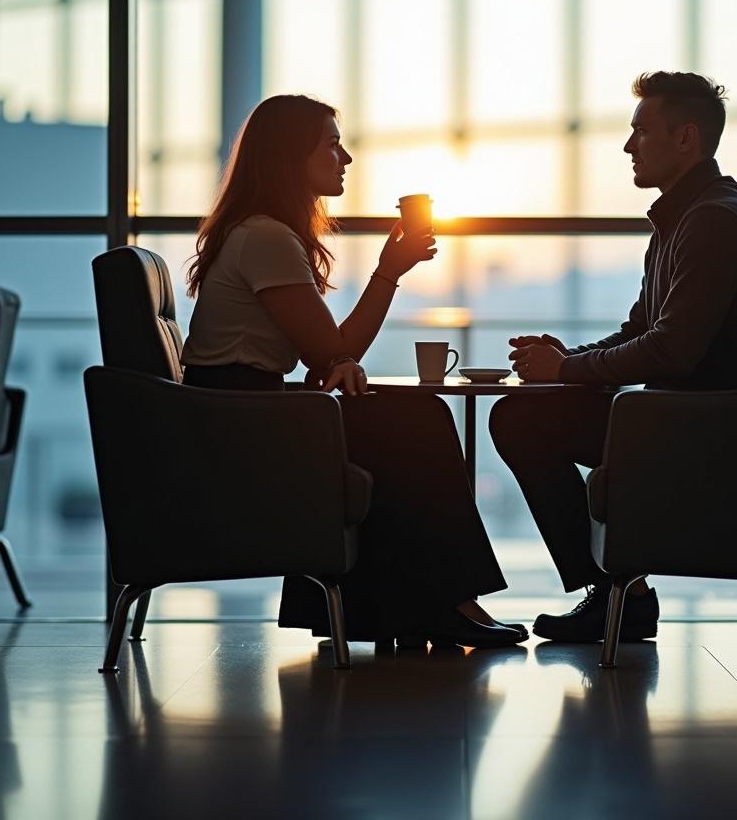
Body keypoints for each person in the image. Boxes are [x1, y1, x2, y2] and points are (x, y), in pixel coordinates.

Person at [181, 93, 524, 648]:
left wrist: (335, 361)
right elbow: (334, 350)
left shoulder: (260, 232)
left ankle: (421, 607)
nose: (346, 159)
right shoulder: (266, 236)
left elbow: (329, 355)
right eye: (332, 145)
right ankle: (449, 602)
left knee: (404, 420)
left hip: (241, 413)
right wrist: (389, 271)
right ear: (292, 156)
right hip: (242, 426)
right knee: (418, 420)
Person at [489, 71, 737, 643]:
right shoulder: (689, 217)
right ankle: (618, 594)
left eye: (640, 131)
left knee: (518, 420)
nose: (628, 146)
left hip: (703, 429)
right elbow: (638, 331)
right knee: (528, 413)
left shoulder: (713, 222)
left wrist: (567, 371)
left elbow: (671, 351)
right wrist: (564, 359)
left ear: (685, 139)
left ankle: (614, 596)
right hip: (685, 417)